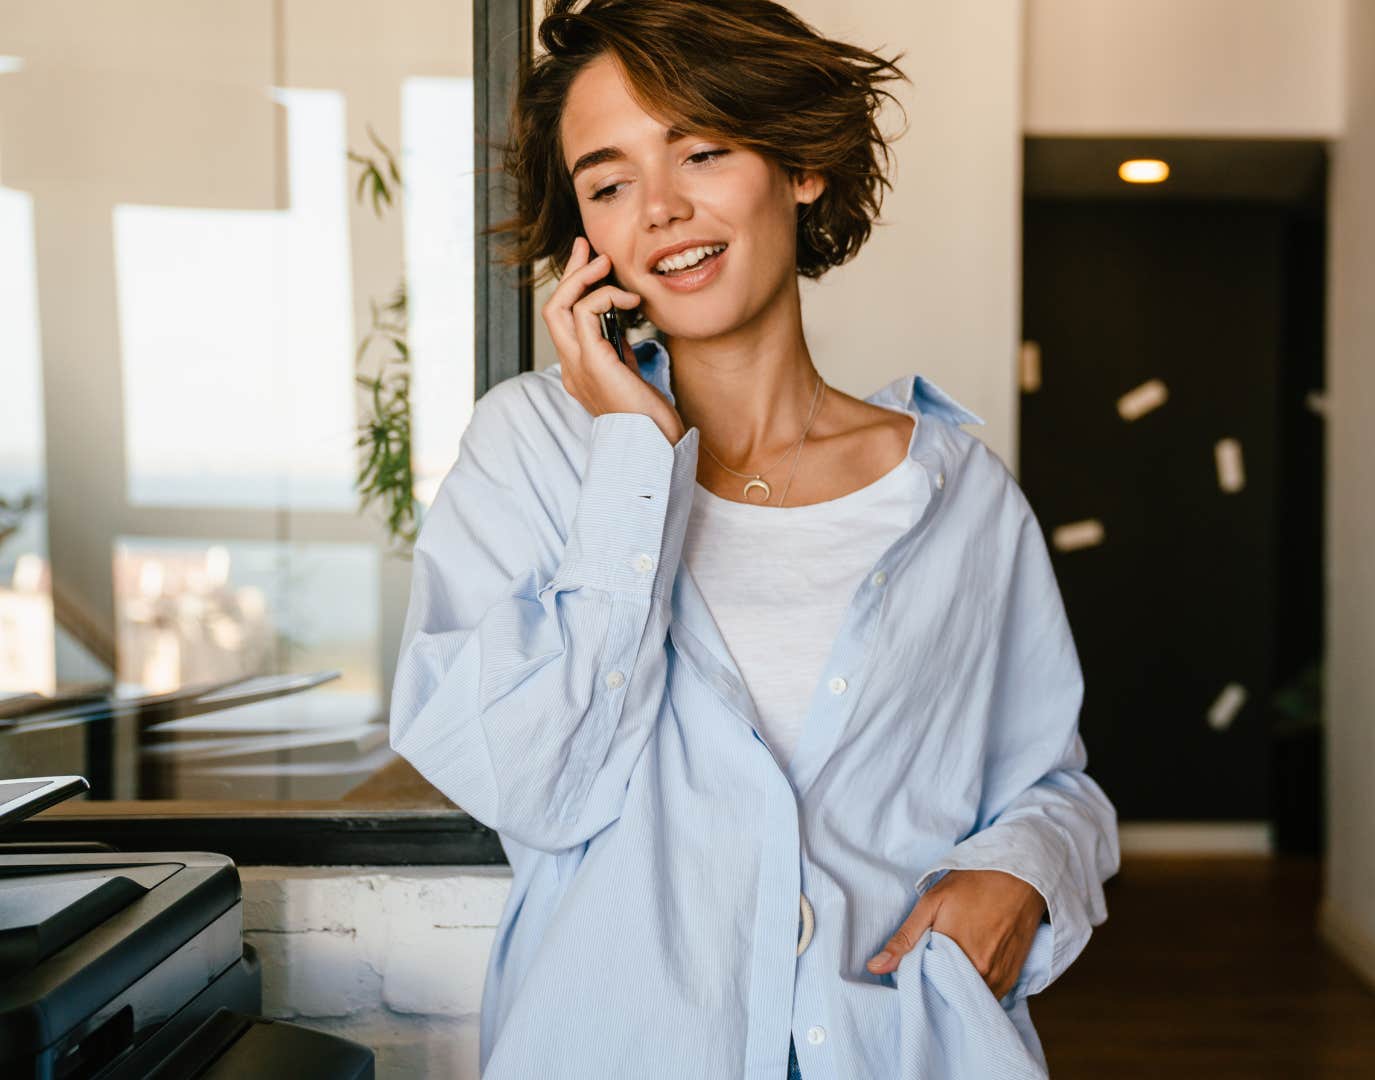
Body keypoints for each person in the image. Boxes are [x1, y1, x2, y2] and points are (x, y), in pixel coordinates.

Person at [388, 1, 1119, 1076]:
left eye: (702, 149)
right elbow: (536, 785)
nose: (662, 210)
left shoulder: (956, 494)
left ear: (800, 166)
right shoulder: (532, 454)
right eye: (609, 182)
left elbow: (1052, 786)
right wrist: (635, 465)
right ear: (587, 238)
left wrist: (1024, 873)